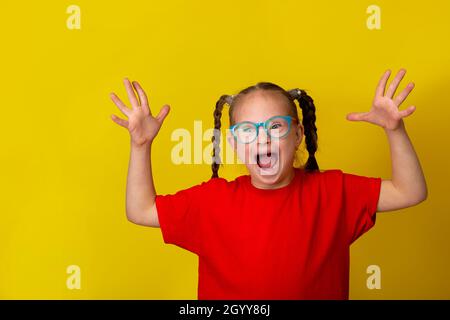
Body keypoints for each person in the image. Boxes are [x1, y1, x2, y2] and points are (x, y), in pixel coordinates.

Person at [110, 69, 427, 299]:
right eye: (248, 130)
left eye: (276, 125)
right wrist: (140, 146)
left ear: (298, 135)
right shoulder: (212, 202)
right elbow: (140, 210)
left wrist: (395, 131)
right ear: (234, 144)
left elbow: (409, 191)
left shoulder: (333, 192)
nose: (262, 136)